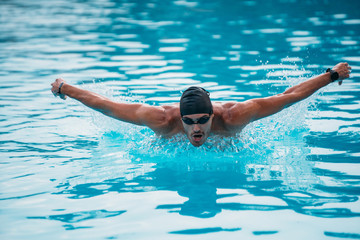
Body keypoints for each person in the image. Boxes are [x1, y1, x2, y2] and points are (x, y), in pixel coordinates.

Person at [51, 62, 351, 147]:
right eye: (189, 121)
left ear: (212, 115)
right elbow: (105, 105)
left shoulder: (234, 116)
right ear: (179, 118)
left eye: (202, 121)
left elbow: (290, 97)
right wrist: (66, 88)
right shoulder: (161, 119)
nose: (196, 129)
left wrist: (331, 75)